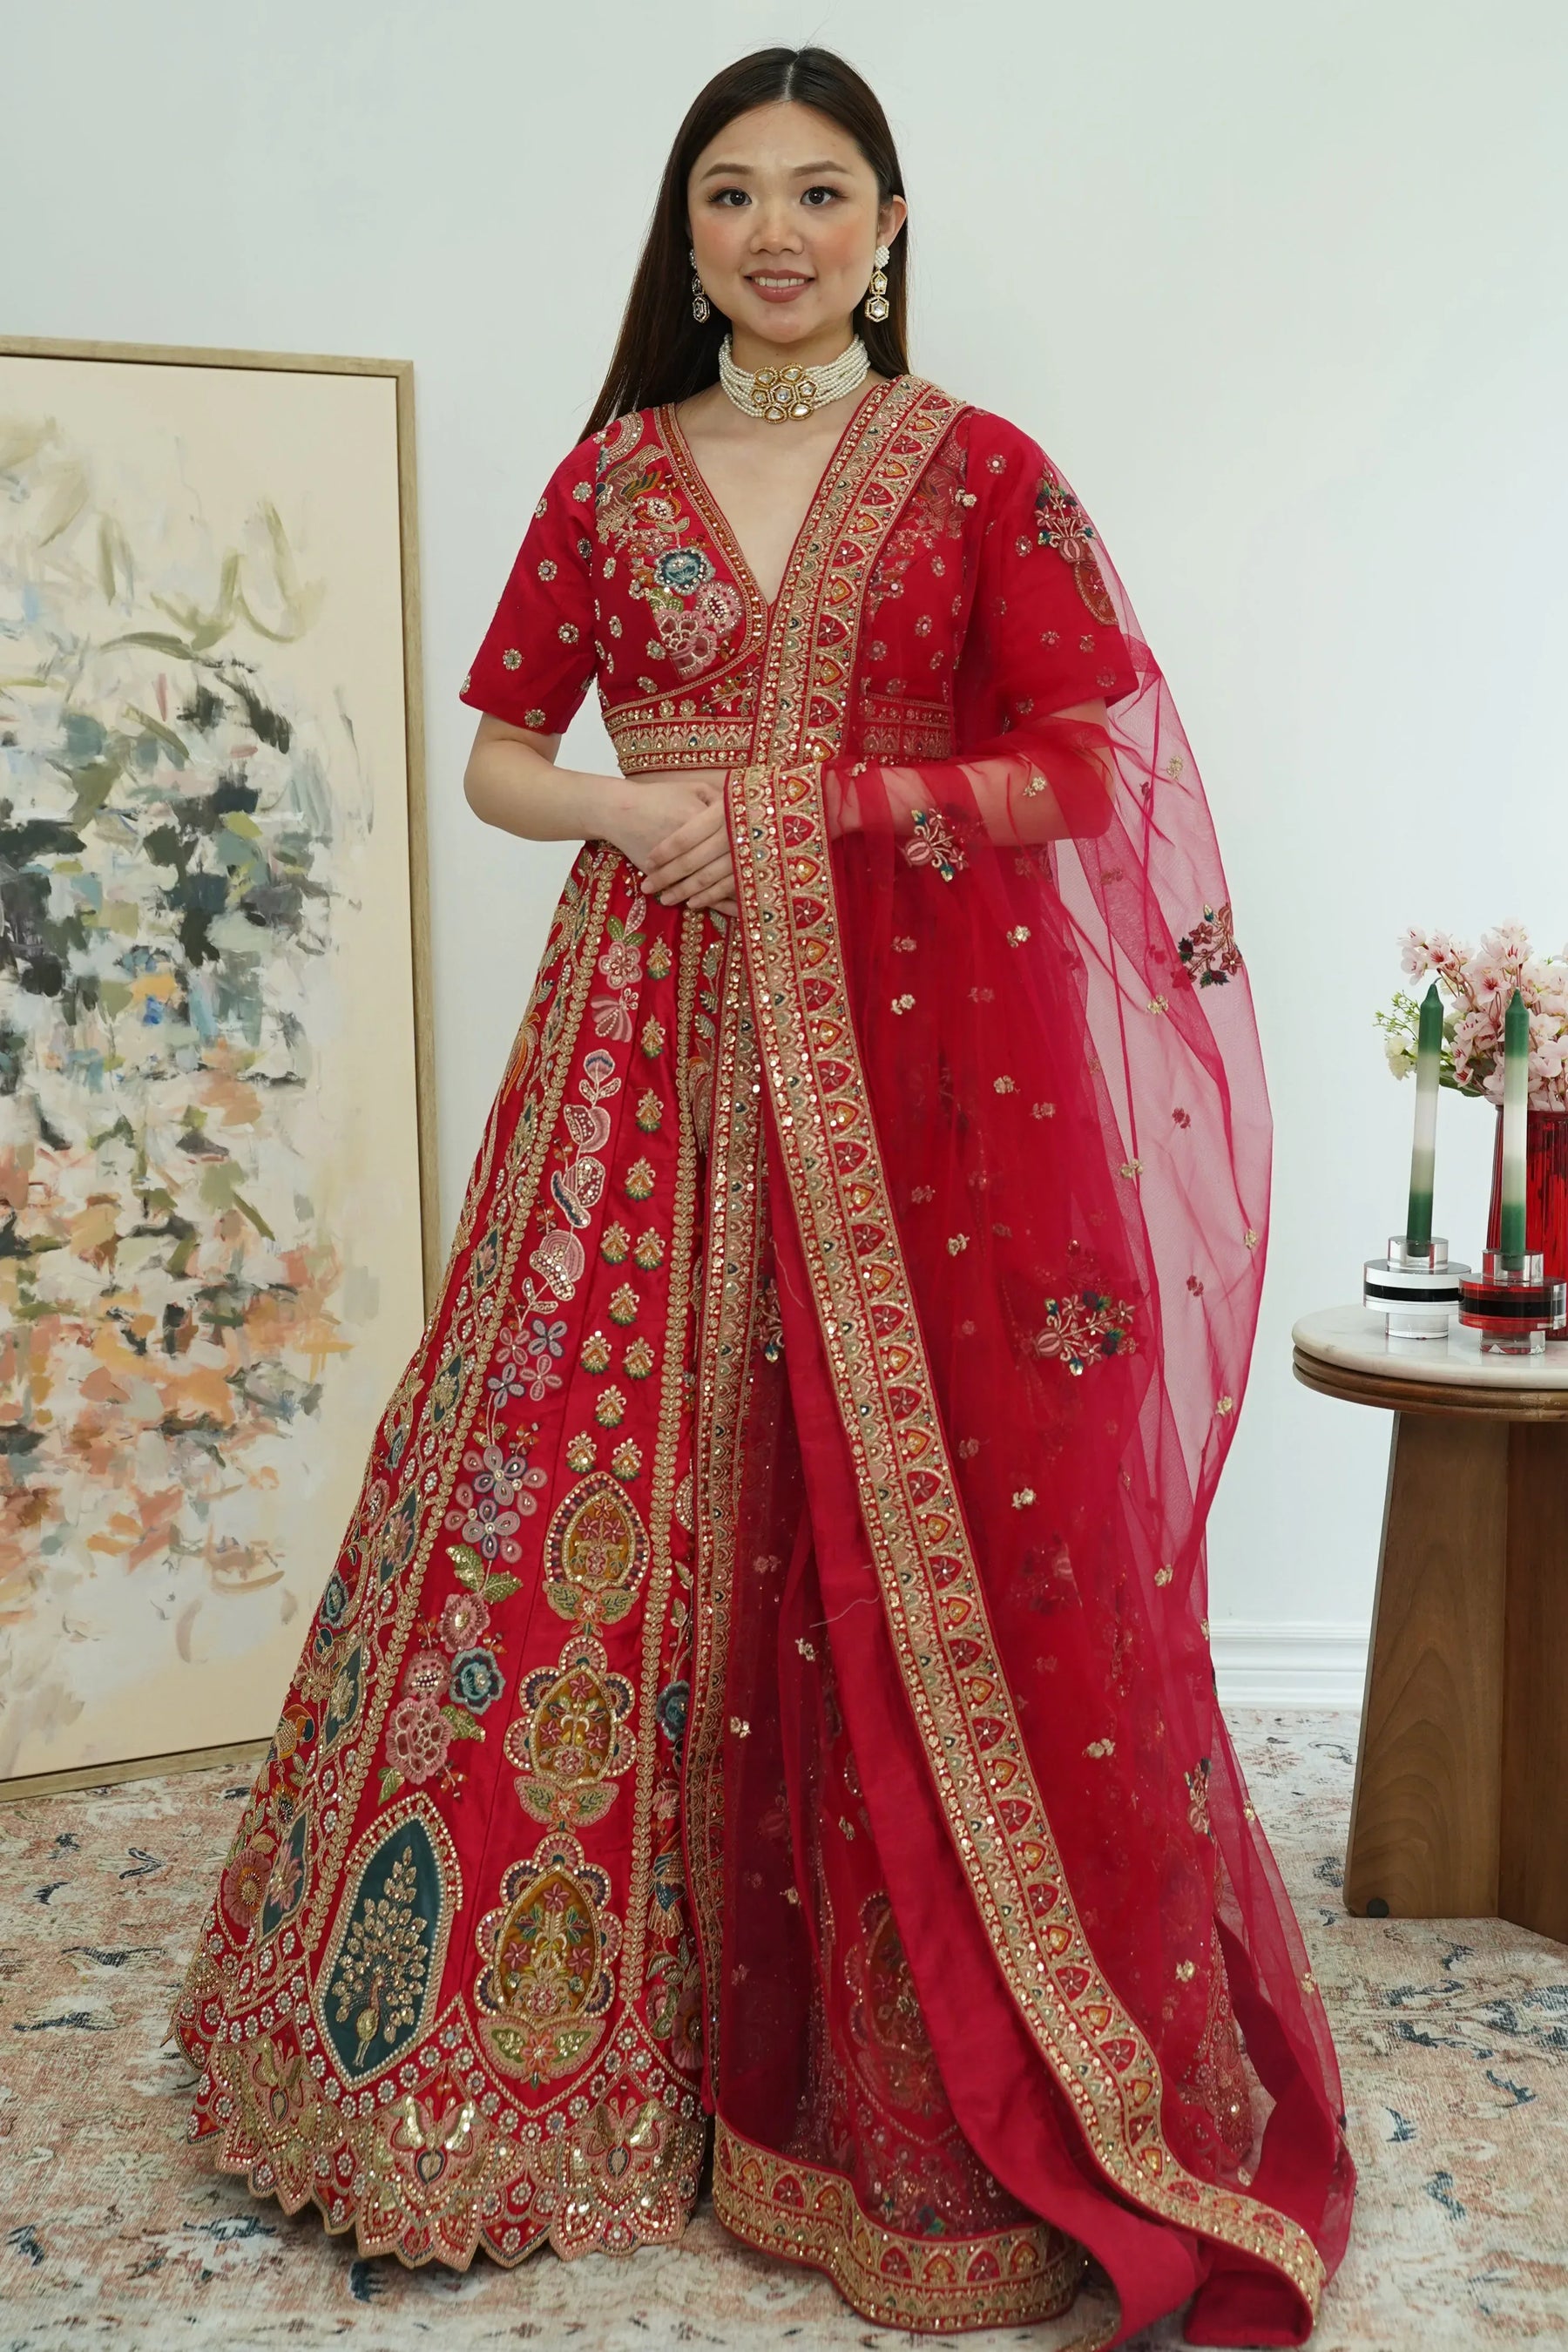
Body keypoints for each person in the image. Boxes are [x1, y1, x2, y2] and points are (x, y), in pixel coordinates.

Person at [172, 45, 1355, 2346]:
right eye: (732, 194)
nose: (777, 233)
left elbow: (1084, 765)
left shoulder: (979, 473)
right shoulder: (616, 475)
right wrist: (631, 811)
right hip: (639, 1044)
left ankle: (896, 2085)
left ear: (890, 226)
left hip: (922, 1068)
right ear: (685, 231)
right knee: (578, 1486)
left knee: (915, 1521)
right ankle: (523, 2074)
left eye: (822, 192)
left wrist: (834, 811)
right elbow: (504, 757)